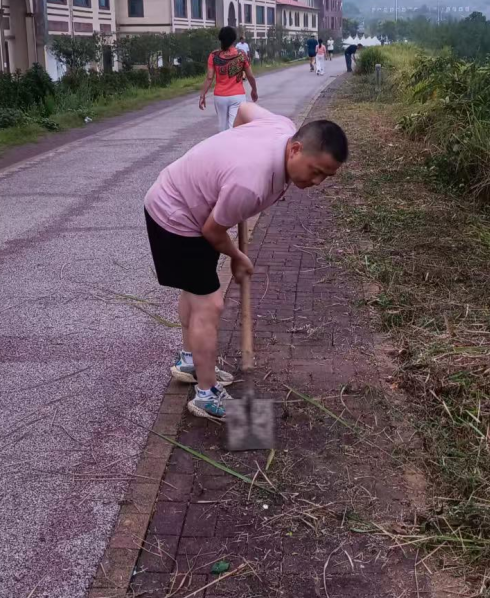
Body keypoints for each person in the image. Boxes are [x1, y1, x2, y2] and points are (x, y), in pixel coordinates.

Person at [144, 104, 349, 420]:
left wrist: (228, 150)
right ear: (295, 149)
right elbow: (212, 230)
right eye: (316, 171)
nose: (318, 181)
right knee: (209, 304)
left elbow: (243, 109)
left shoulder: (282, 126)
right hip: (176, 215)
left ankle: (190, 363)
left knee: (196, 291)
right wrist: (238, 257)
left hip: (195, 204)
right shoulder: (249, 183)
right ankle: (206, 396)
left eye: (326, 176)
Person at [199, 26, 258, 131]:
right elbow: (250, 76)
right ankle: (233, 146)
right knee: (234, 128)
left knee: (223, 127)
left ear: (220, 39)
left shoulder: (214, 55)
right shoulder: (241, 55)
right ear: (234, 39)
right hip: (237, 96)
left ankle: (223, 146)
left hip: (220, 96)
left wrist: (202, 95)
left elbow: (209, 77)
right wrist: (254, 90)